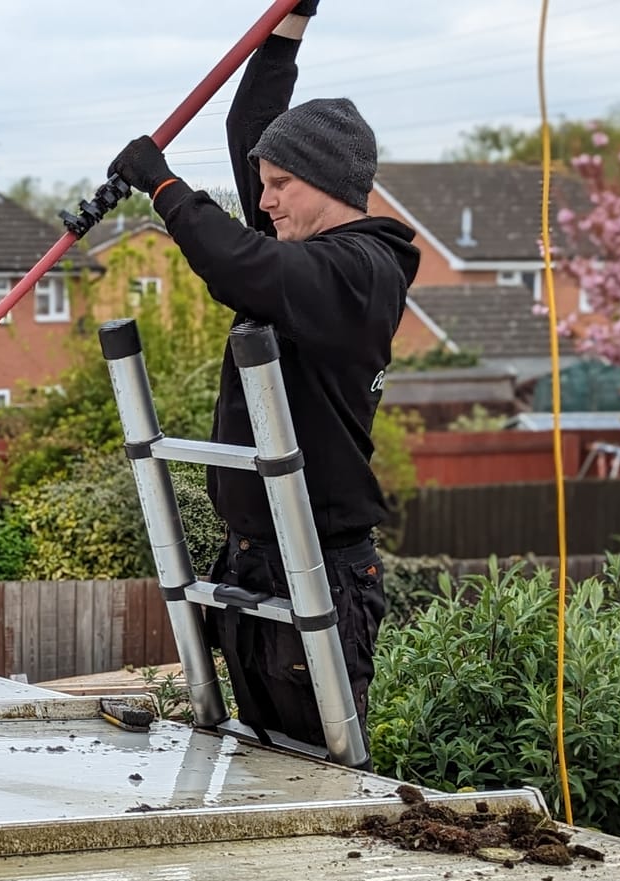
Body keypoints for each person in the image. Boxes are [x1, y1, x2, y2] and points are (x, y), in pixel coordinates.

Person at [107, 1, 419, 756]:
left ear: (329, 183)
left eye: (280, 184)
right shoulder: (301, 239)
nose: (265, 200)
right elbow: (252, 121)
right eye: (263, 185)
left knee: (317, 773)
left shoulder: (359, 270)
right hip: (252, 556)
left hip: (320, 562)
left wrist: (166, 187)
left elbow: (239, 266)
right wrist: (289, 27)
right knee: (252, 759)